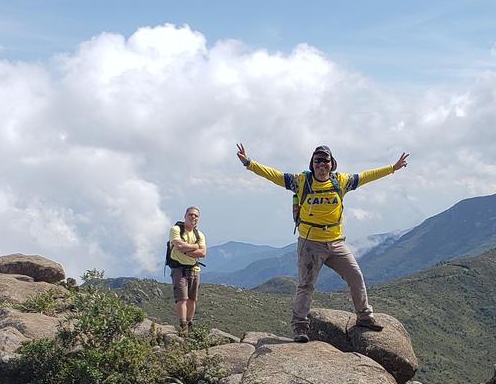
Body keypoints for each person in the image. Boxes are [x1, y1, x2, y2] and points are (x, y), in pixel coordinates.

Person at [236, 142, 408, 342]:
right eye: (317, 161)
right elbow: (274, 175)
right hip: (310, 243)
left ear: (331, 163)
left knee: (355, 276)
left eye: (325, 160)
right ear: (312, 163)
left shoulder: (341, 181)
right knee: (306, 286)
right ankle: (300, 327)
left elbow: (366, 176)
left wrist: (392, 168)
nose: (321, 164)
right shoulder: (301, 181)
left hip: (336, 242)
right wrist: (249, 163)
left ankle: (364, 317)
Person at [167, 206, 206, 331]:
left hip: (194, 269)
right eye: (191, 214)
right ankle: (183, 326)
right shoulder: (176, 229)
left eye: (196, 215)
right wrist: (195, 246)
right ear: (185, 216)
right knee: (182, 299)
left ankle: (189, 324)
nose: (193, 217)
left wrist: (185, 251)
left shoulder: (199, 234)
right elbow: (178, 245)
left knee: (192, 299)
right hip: (179, 268)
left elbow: (203, 253)